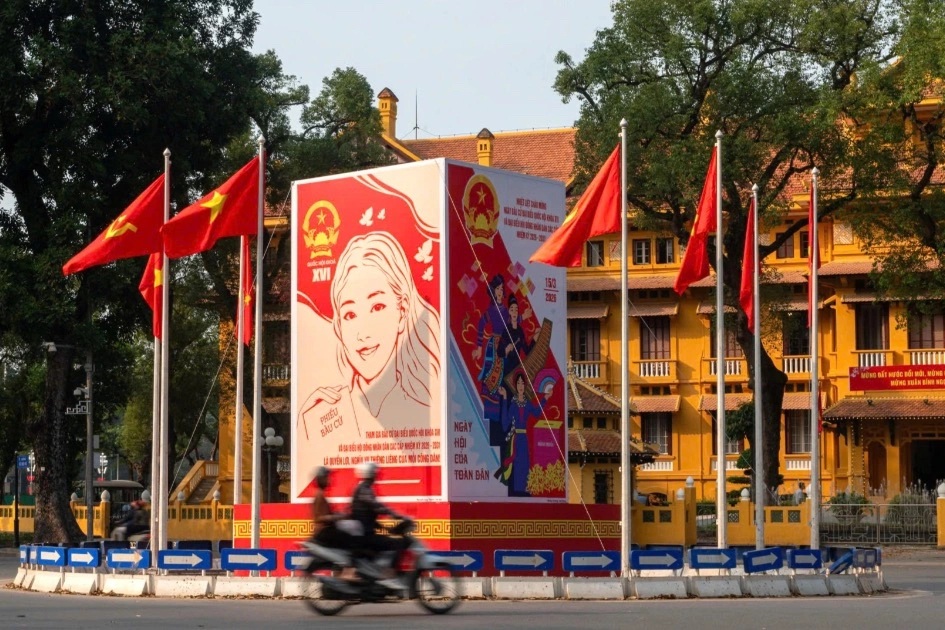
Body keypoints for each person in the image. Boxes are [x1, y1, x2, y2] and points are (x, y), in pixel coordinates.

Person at [299, 231, 441, 440]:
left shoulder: (428, 411)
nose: (362, 333)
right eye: (350, 315)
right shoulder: (321, 416)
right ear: (339, 327)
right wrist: (303, 432)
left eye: (377, 307)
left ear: (402, 311)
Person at [349, 461, 407, 586]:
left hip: (365, 531)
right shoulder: (364, 490)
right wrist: (395, 514)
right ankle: (389, 575)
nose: (378, 475)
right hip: (365, 535)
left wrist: (387, 529)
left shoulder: (364, 488)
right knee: (399, 543)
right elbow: (377, 506)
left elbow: (369, 517)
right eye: (376, 472)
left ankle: (378, 573)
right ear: (370, 474)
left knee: (389, 540)